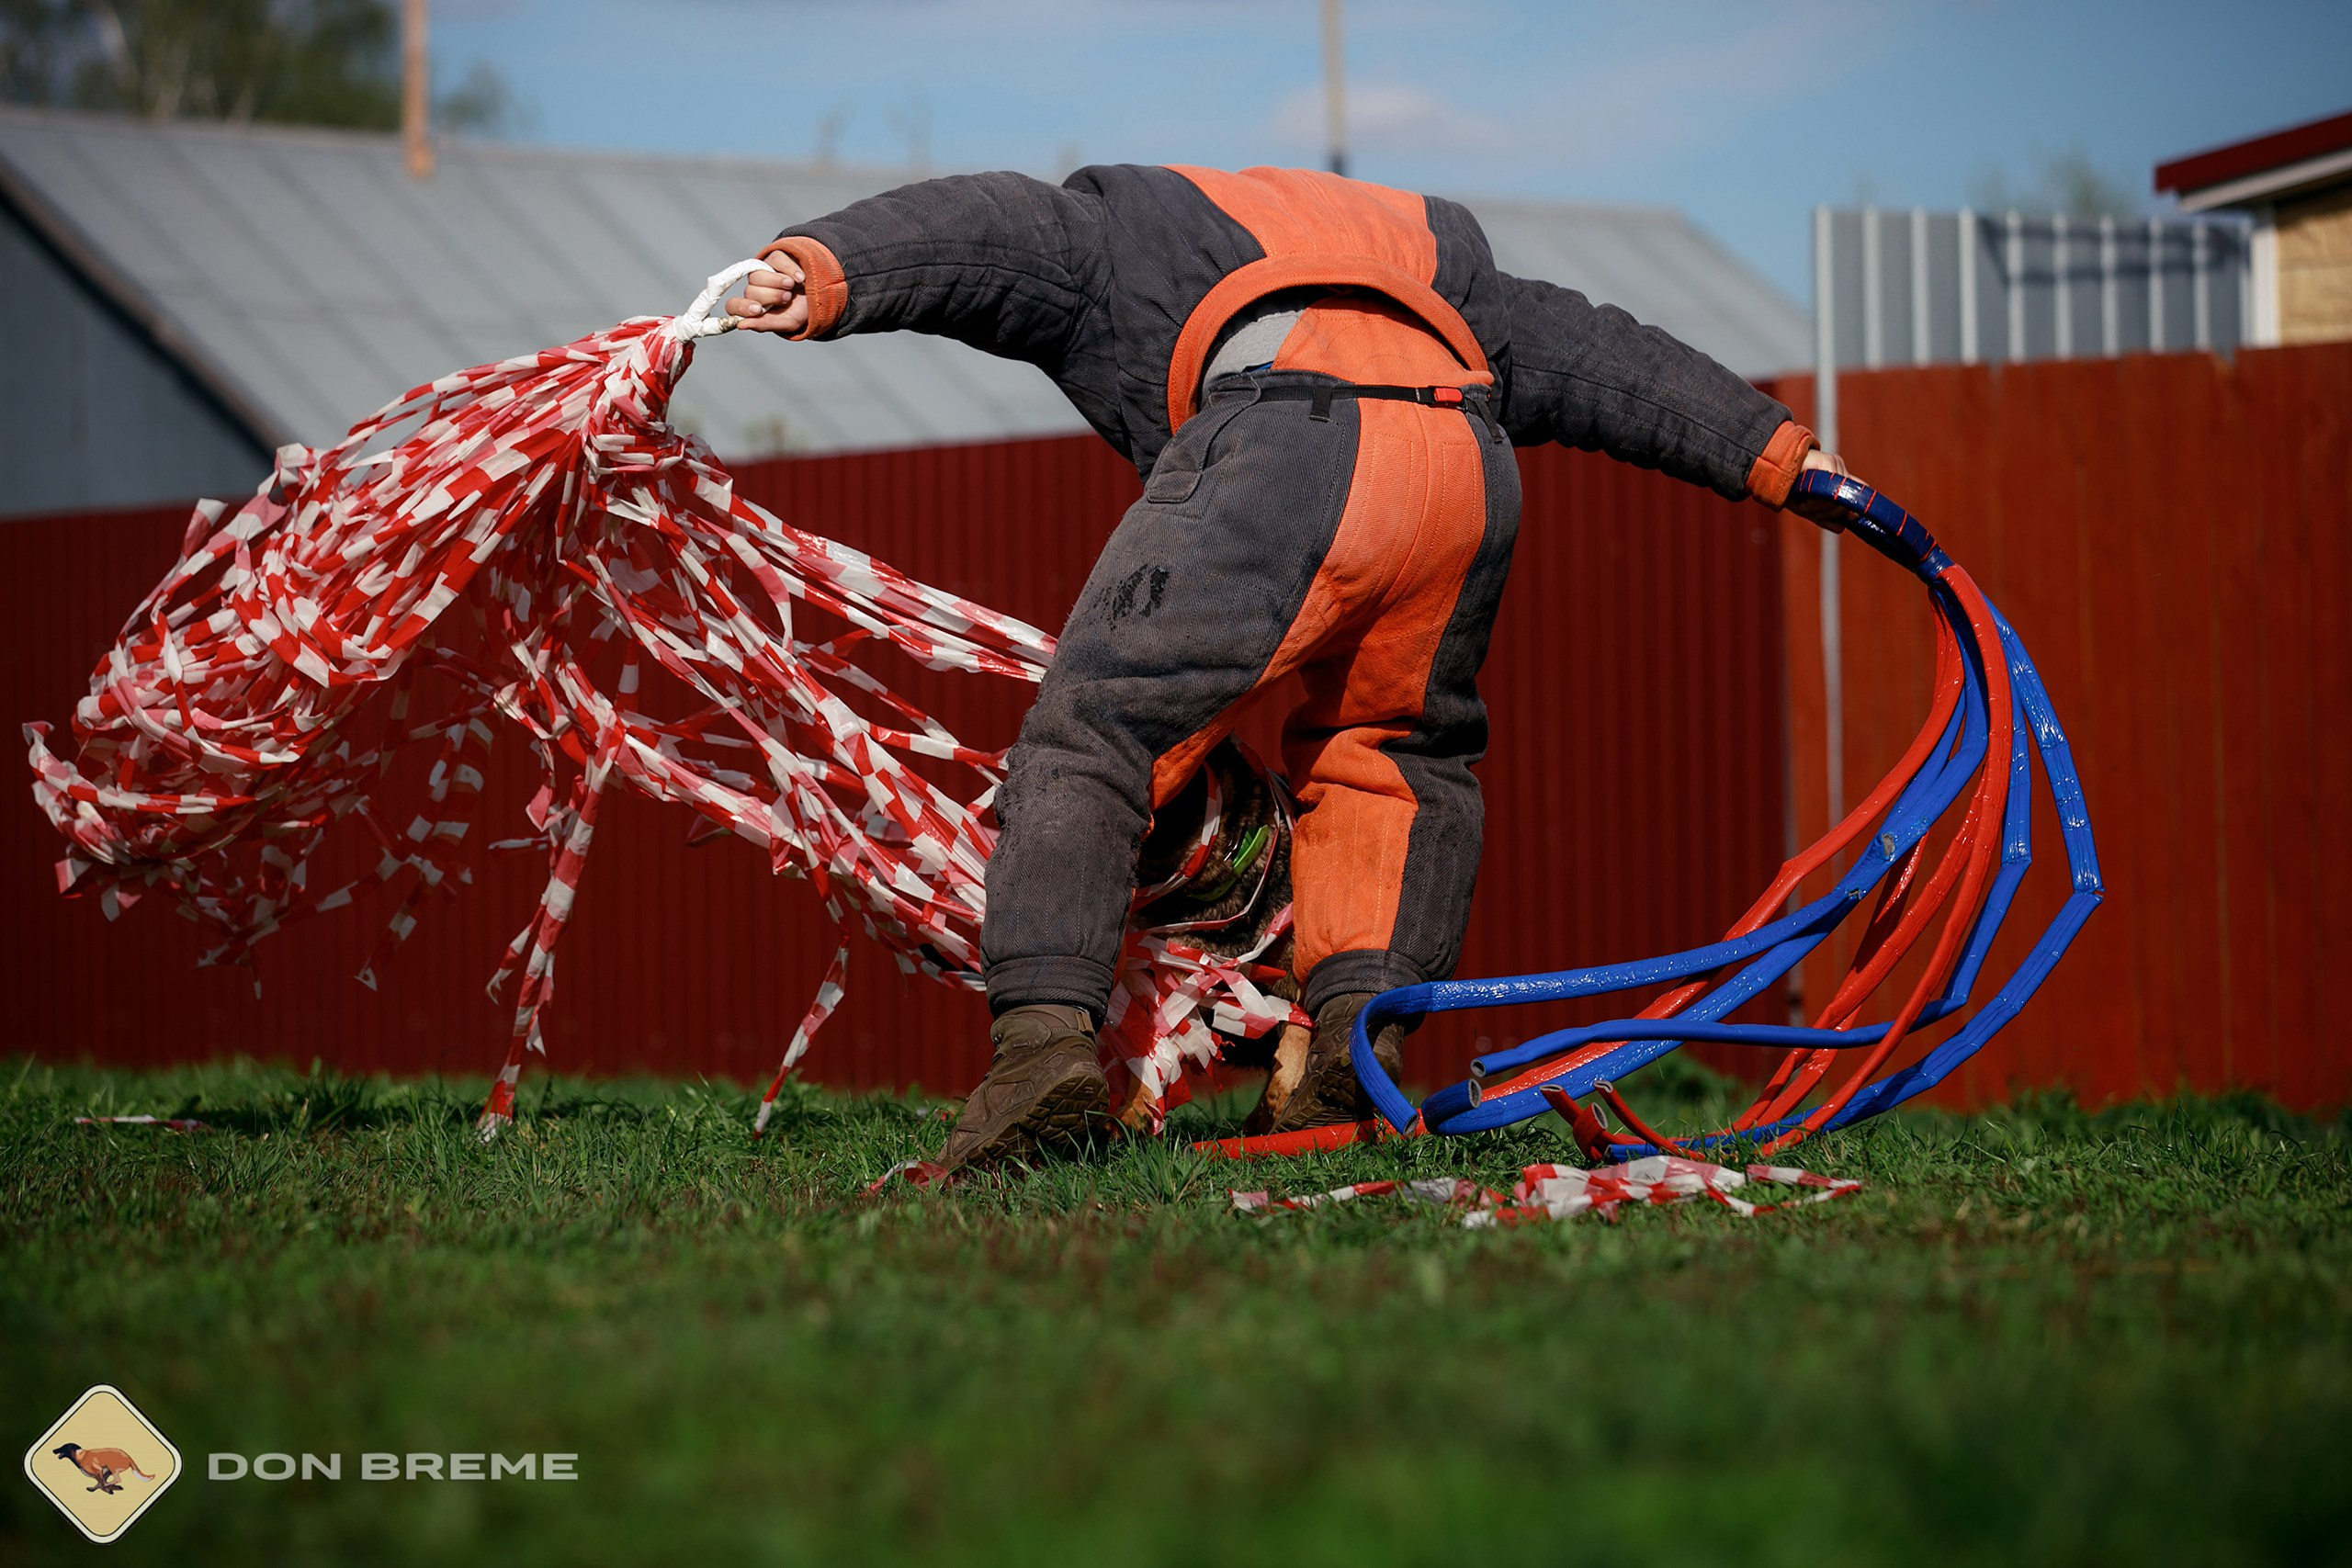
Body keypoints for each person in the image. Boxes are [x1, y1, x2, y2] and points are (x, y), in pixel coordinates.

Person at [728, 164, 1850, 1168]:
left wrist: (819, 272)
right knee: (1394, 760)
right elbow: (1602, 355)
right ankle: (1344, 1054)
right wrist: (1775, 454)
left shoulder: (1118, 230)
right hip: (1463, 460)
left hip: (1282, 441)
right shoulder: (1422, 245)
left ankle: (1041, 1051)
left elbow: (988, 233)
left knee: (1098, 731)